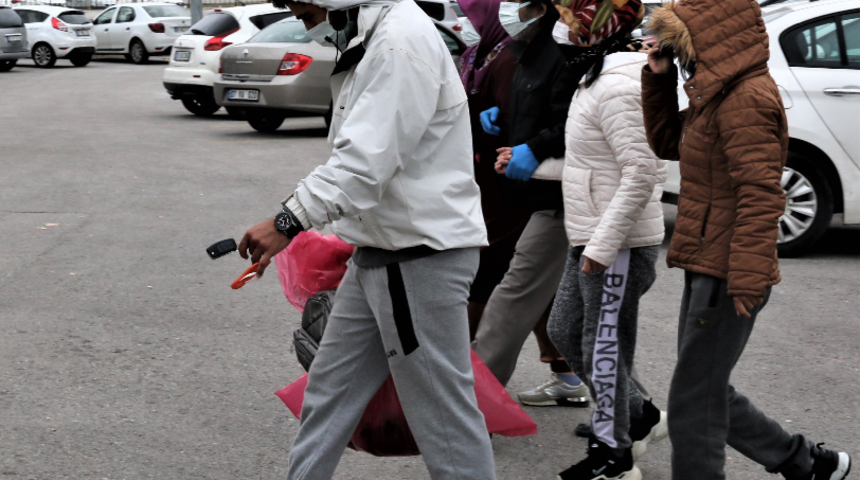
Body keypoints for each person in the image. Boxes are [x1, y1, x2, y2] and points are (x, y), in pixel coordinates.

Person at [237, 0, 497, 478]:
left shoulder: (399, 41)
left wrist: (286, 221)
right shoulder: (376, 37)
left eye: (301, 5)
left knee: (444, 421)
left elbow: (363, 164)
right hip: (382, 253)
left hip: (418, 259)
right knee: (329, 395)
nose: (299, 16)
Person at [642, 1, 852, 479]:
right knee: (704, 386)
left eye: (680, 42)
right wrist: (658, 77)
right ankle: (807, 463)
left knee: (694, 396)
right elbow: (667, 142)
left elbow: (761, 194)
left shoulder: (746, 98)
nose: (677, 53)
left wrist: (749, 275)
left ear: (711, 38)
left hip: (729, 268)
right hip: (708, 257)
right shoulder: (715, 92)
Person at [543, 1, 669, 479]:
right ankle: (640, 416)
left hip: (615, 245)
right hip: (593, 236)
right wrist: (532, 164)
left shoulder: (618, 83)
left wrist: (601, 246)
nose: (559, 28)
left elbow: (643, 172)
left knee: (602, 348)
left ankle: (613, 457)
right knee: (565, 330)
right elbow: (595, 165)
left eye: (568, 18)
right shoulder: (594, 75)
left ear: (593, 29)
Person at [471, 0, 592, 407]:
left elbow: (577, 119)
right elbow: (538, 109)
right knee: (571, 315)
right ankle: (630, 407)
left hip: (562, 196)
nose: (508, 10)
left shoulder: (571, 49)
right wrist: (501, 116)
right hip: (539, 193)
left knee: (513, 297)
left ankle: (471, 407)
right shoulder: (532, 44)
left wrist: (534, 148)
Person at [457, 0, 531, 340]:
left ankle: (467, 356)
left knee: (492, 265)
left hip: (506, 178)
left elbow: (525, 118)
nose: (466, 22)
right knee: (516, 275)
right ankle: (561, 365)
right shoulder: (475, 56)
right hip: (478, 176)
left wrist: (503, 122)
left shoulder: (510, 57)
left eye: (473, 15)